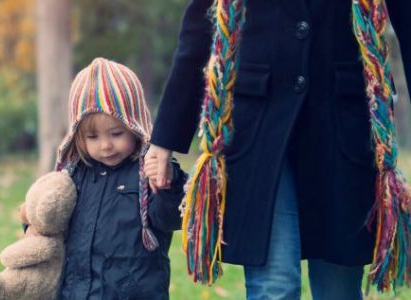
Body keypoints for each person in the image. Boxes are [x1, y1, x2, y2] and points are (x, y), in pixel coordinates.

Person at [145, 0, 411, 299]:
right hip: (258, 129)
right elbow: (200, 29)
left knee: (339, 289)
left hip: (342, 126)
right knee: (275, 287)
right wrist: (165, 139)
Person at [54, 57, 187, 299]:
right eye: (92, 137)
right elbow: (50, 222)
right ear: (77, 136)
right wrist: (32, 221)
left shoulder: (150, 170)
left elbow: (170, 219)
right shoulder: (73, 175)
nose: (105, 146)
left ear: (134, 125)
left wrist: (168, 184)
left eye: (116, 133)